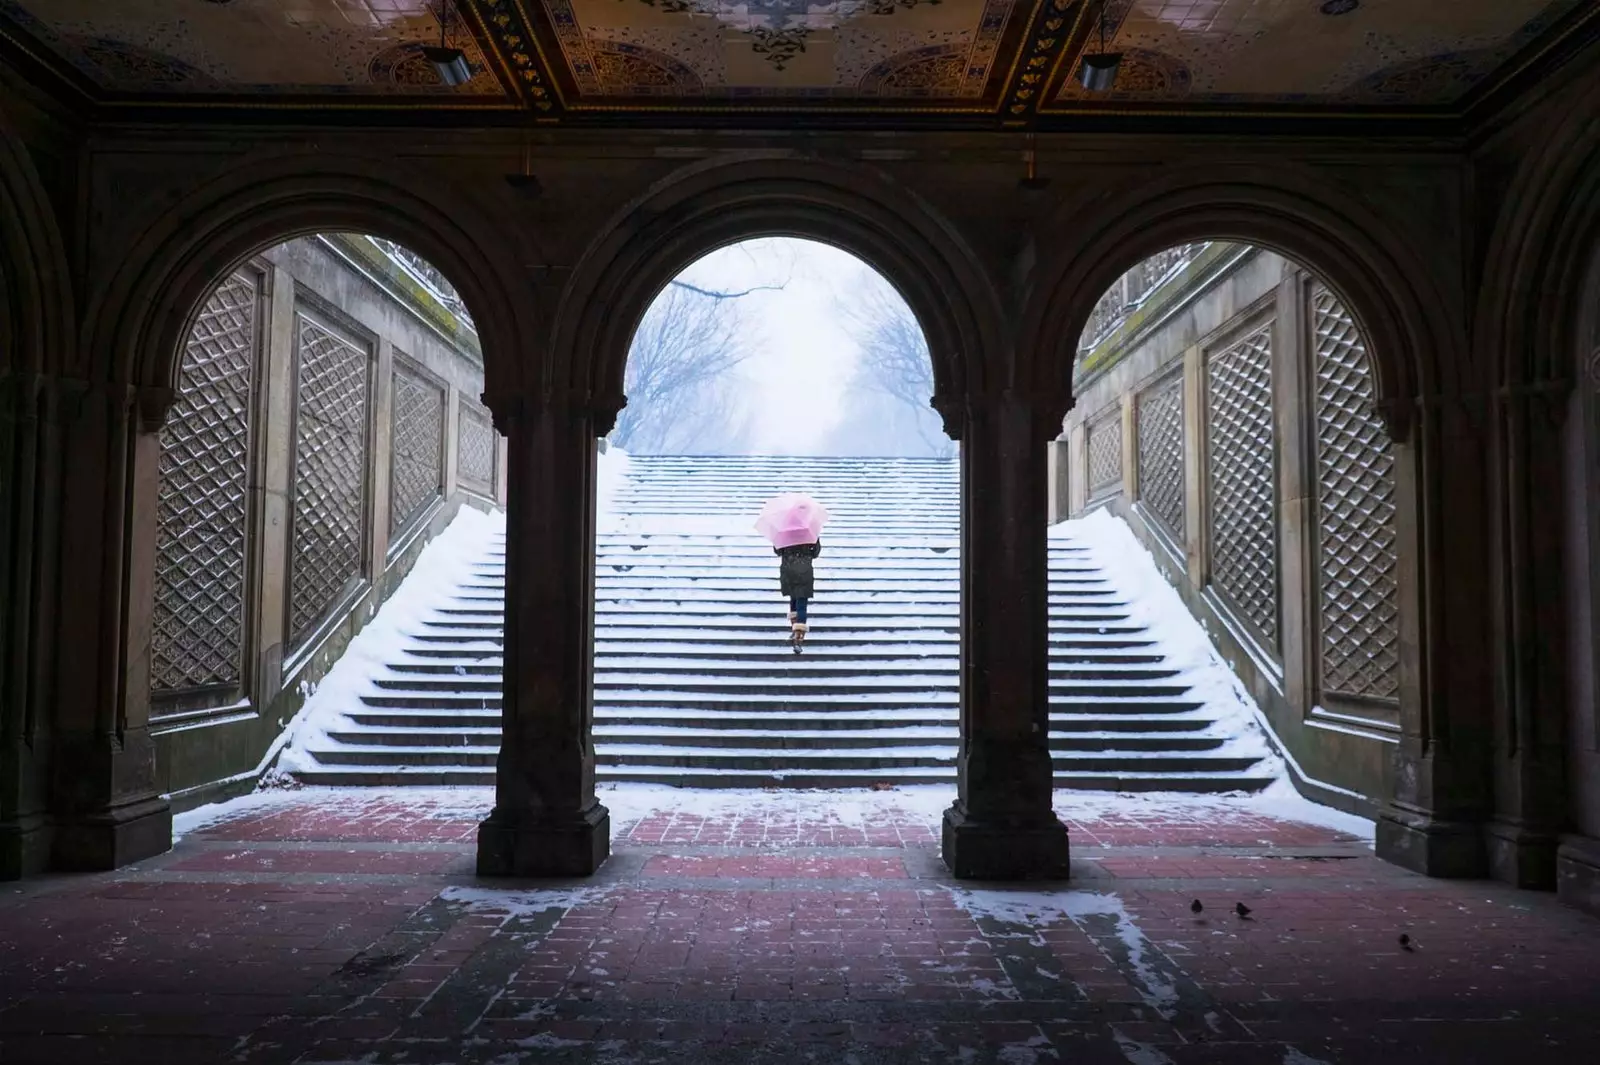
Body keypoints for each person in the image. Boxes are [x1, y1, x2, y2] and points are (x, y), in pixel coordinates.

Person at [776, 538, 821, 652]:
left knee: (794, 600)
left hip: (789, 570)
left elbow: (778, 551)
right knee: (801, 603)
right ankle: (798, 636)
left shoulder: (785, 533)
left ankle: (795, 629)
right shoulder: (809, 534)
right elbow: (815, 553)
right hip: (804, 570)